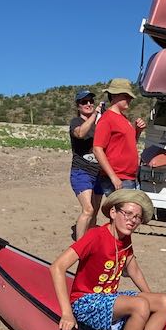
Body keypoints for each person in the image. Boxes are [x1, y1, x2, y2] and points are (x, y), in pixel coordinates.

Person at [49, 188, 166, 330]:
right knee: (140, 305)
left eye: (137, 217)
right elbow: (57, 267)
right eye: (128, 214)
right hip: (85, 303)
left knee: (164, 302)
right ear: (113, 212)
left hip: (108, 300)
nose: (132, 220)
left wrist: (150, 297)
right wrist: (67, 313)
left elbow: (134, 270)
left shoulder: (125, 239)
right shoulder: (95, 236)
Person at [90, 79, 147, 195]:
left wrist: (138, 131)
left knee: (128, 211)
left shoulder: (123, 119)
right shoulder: (107, 119)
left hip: (129, 177)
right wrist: (113, 177)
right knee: (124, 212)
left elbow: (128, 145)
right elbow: (97, 149)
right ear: (115, 95)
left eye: (130, 97)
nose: (129, 99)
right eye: (126, 96)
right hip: (118, 178)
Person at [67, 89, 103, 240]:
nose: (88, 104)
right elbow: (80, 133)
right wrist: (94, 114)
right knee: (88, 209)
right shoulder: (76, 122)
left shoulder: (99, 124)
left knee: (94, 212)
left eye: (90, 101)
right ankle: (79, 245)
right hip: (81, 171)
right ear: (78, 106)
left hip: (98, 173)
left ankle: (90, 240)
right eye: (84, 102)